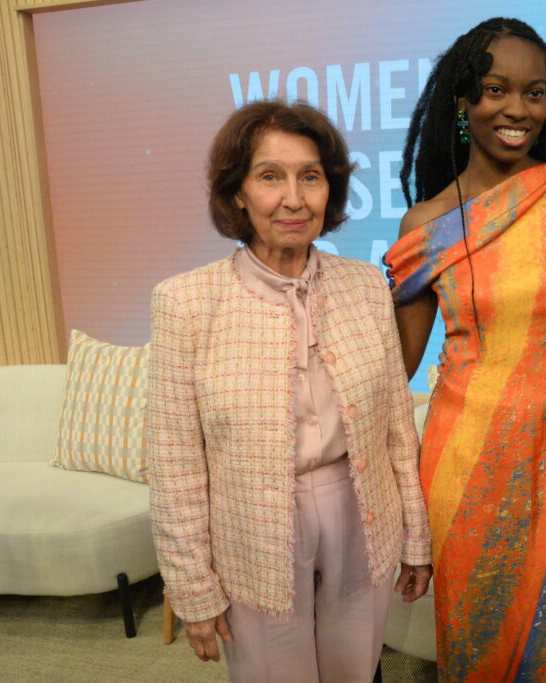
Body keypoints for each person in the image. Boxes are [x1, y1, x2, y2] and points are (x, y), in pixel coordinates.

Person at [148, 100, 431, 682]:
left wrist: (416, 537)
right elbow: (174, 462)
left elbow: (396, 428)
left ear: (330, 190)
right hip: (252, 527)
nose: (294, 198)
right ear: (237, 194)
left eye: (311, 176)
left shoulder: (365, 285)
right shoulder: (186, 302)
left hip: (361, 510)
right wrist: (192, 588)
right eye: (270, 176)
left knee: (358, 668)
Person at [383, 17, 546, 682]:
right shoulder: (425, 224)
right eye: (494, 90)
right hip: (462, 456)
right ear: (463, 103)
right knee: (474, 636)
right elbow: (396, 363)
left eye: (533, 93)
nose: (517, 109)